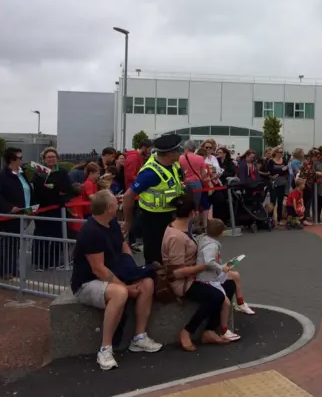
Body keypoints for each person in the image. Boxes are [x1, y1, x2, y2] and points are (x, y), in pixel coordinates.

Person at [70, 190, 163, 370]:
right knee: (119, 293)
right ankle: (105, 349)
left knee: (147, 283)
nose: (119, 203)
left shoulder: (111, 223)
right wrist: (125, 287)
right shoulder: (91, 232)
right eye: (115, 202)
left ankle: (139, 337)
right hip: (87, 283)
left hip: (112, 273)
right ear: (108, 208)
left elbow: (123, 247)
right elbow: (98, 269)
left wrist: (131, 271)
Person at [161, 194, 233, 351]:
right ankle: (188, 330)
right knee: (217, 295)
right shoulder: (176, 237)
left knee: (230, 284)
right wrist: (205, 266)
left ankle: (209, 330)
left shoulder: (182, 228)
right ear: (192, 213)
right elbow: (177, 272)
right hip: (183, 282)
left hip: (194, 275)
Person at [122, 134, 185, 264]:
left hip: (171, 214)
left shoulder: (174, 165)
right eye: (178, 151)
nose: (181, 153)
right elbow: (128, 196)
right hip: (153, 219)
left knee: (171, 252)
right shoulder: (150, 174)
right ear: (170, 154)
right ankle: (154, 282)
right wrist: (128, 221)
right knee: (155, 257)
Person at [196, 218, 255, 316]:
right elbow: (209, 262)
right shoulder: (211, 245)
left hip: (213, 272)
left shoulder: (207, 240)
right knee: (225, 302)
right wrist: (221, 268)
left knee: (235, 275)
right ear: (221, 233)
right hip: (208, 276)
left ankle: (240, 303)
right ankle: (223, 328)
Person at [32, 147, 78, 270]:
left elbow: (68, 189)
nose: (51, 159)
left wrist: (52, 187)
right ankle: (40, 263)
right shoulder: (39, 173)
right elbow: (39, 190)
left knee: (58, 236)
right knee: (42, 236)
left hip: (58, 209)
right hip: (43, 210)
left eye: (53, 157)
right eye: (48, 157)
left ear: (57, 158)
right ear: (44, 159)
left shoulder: (62, 172)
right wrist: (57, 189)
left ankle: (53, 261)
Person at [0, 148, 35, 279]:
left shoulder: (21, 174)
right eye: (20, 158)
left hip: (24, 213)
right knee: (8, 243)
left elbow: (27, 190)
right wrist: (9, 207)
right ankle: (4, 270)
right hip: (10, 216)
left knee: (16, 243)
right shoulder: (2, 176)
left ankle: (13, 269)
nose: (22, 160)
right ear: (12, 160)